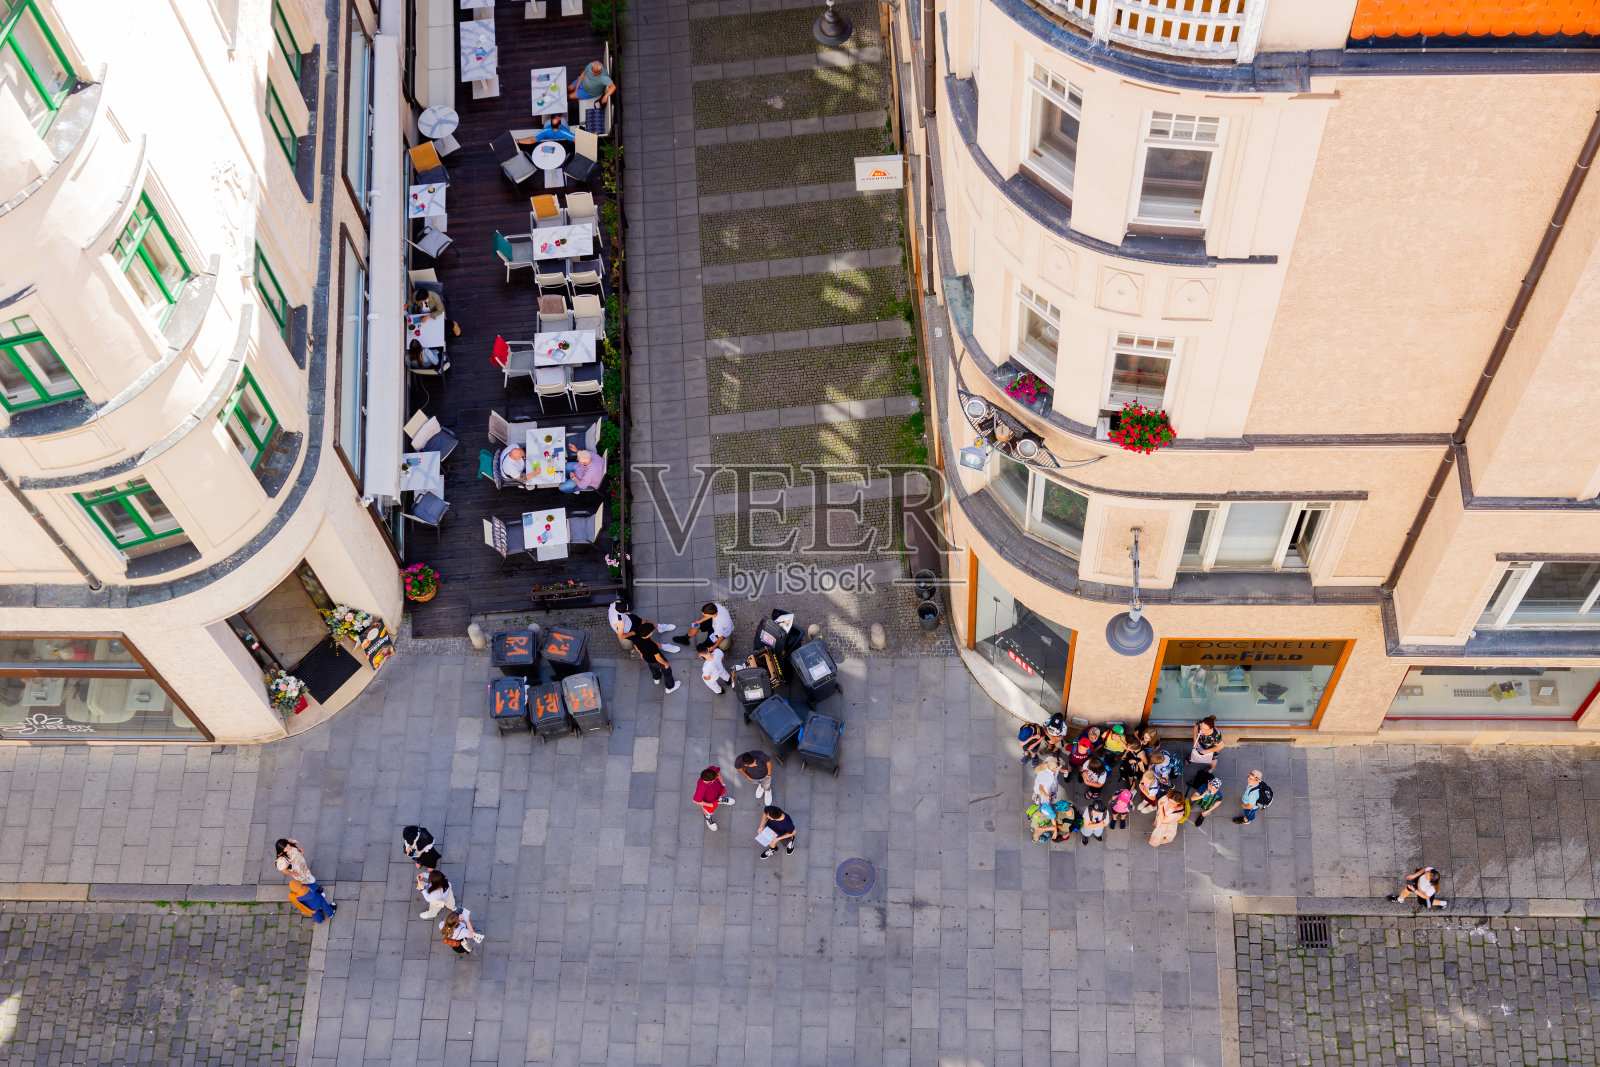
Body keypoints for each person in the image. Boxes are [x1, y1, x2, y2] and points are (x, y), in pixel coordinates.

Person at [275, 838, 336, 923]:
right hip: (317, 899)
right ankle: (330, 913)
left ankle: (320, 920)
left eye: (288, 846)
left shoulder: (294, 896)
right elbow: (314, 886)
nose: (288, 847)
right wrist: (293, 874)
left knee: (315, 913)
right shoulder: (310, 889)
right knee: (322, 902)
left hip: (310, 907)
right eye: (286, 847)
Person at [612, 600, 680, 654]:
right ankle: (665, 647)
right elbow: (621, 636)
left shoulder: (615, 603)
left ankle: (661, 627)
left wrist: (630, 614)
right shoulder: (620, 623)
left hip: (628, 619)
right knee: (645, 639)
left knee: (645, 622)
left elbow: (623, 609)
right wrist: (632, 633)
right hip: (628, 630)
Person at [693, 766, 734, 831]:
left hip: (719, 791)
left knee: (719, 796)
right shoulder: (701, 788)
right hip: (710, 801)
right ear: (709, 781)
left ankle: (719, 800)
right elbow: (696, 800)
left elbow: (718, 774)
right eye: (715, 778)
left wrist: (722, 784)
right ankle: (708, 818)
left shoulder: (711, 770)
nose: (717, 777)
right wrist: (710, 805)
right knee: (707, 811)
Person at [1189, 715, 1224, 785]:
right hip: (1201, 744)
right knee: (1196, 753)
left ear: (1211, 729)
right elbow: (1195, 732)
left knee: (1213, 759)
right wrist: (1195, 740)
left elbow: (1221, 746)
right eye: (1201, 727)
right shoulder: (1199, 724)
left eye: (1204, 729)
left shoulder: (1216, 735)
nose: (1201, 730)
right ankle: (1192, 758)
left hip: (1211, 748)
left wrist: (1206, 751)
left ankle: (1210, 769)